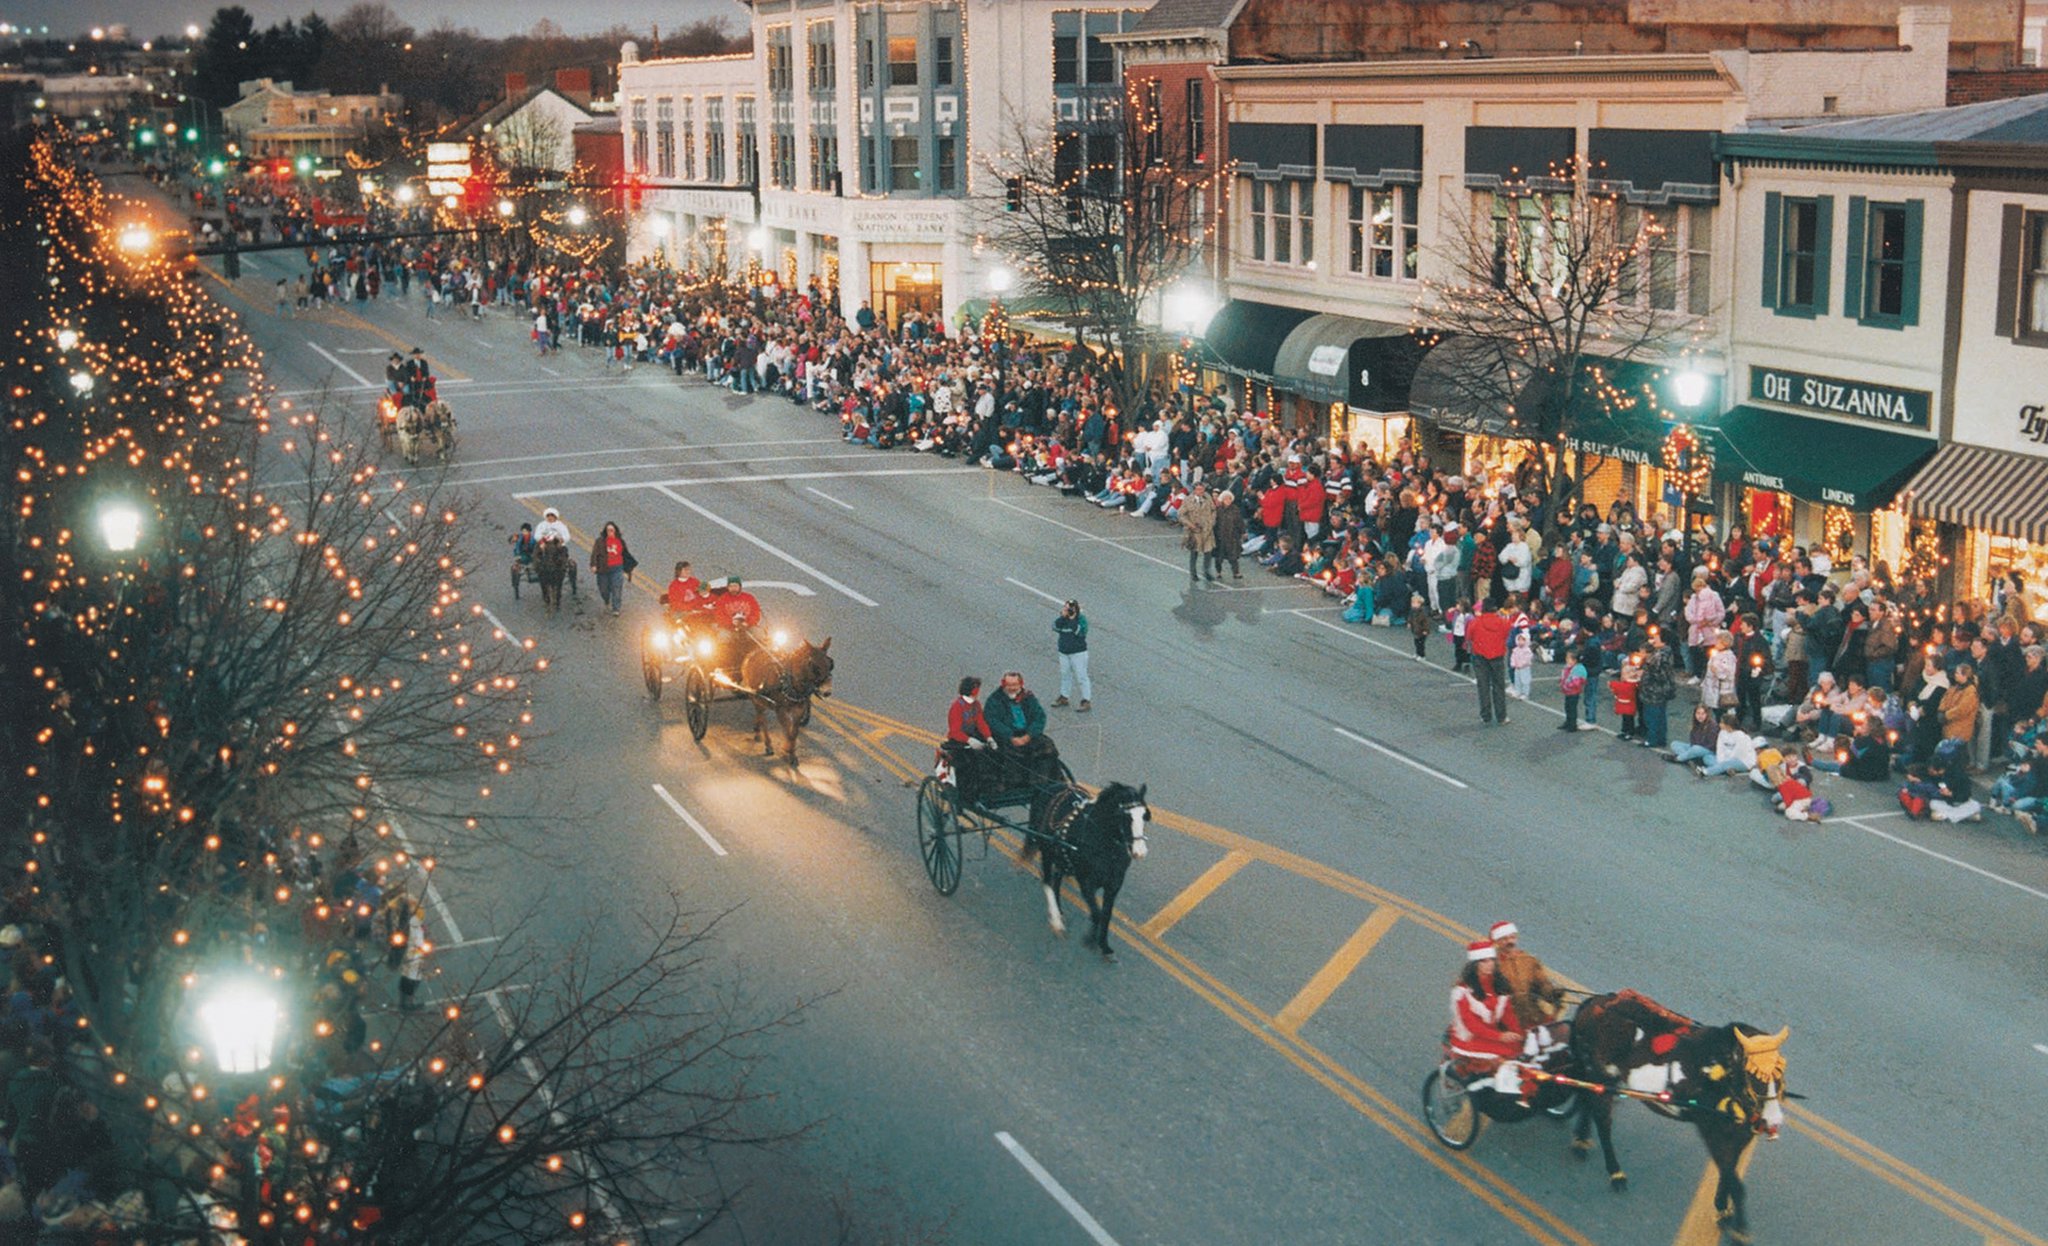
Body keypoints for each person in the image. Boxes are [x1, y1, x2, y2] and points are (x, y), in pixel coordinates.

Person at [1450, 940, 1531, 1103]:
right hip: (1470, 1039)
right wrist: (1500, 1036)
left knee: (1523, 1050)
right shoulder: (1462, 992)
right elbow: (1471, 1026)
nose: (1490, 965)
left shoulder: (1498, 986)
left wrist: (1519, 1033)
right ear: (1475, 965)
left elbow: (1508, 1014)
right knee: (1505, 1058)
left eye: (1492, 960)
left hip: (1492, 1034)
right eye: (1484, 961)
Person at [985, 670, 1057, 790]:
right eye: (1009, 685)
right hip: (1006, 736)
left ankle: (1042, 780)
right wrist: (1010, 736)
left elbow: (1039, 717)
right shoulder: (995, 700)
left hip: (1027, 734)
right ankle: (1013, 782)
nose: (1012, 688)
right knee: (1012, 752)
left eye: (1015, 685)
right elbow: (992, 720)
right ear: (1003, 684)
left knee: (1047, 746)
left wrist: (1029, 735)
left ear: (1020, 684)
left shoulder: (1028, 697)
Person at [1490, 920, 1565, 1031]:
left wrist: (1552, 993)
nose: (1510, 942)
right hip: (1505, 1017)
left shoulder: (1529, 960)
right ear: (1497, 941)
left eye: (1512, 937)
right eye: (1505, 939)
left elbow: (1542, 983)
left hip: (1532, 1013)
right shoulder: (1491, 964)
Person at [942, 675, 994, 801]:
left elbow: (981, 723)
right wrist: (969, 740)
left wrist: (989, 738)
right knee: (969, 764)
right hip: (958, 743)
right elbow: (955, 731)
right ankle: (966, 793)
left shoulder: (976, 705)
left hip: (972, 737)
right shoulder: (957, 707)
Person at [1467, 599, 1512, 726]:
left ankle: (1485, 715)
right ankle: (1501, 716)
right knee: (1499, 687)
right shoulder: (1502, 622)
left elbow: (1469, 636)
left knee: (1483, 686)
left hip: (1480, 657)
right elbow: (1506, 634)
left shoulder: (1475, 622)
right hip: (1497, 656)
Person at [588, 520, 638, 617]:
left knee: (616, 588)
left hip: (617, 568)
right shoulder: (600, 541)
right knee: (603, 589)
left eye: (612, 530)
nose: (610, 532)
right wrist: (593, 565)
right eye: (608, 530)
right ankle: (606, 600)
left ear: (615, 531)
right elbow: (595, 554)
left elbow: (625, 554)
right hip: (603, 569)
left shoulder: (620, 542)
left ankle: (616, 608)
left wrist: (628, 568)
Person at [1053, 599, 1092, 712]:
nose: (1067, 610)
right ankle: (1064, 697)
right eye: (1066, 607)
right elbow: (1055, 627)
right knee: (1065, 674)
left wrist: (1072, 619)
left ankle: (1086, 700)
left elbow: (1080, 632)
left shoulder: (1081, 620)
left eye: (1070, 608)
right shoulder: (1062, 619)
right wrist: (1063, 617)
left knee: (1081, 676)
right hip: (1064, 652)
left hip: (1078, 653)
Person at [533, 506, 578, 599]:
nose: (550, 517)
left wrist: (561, 540)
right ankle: (538, 566)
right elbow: (537, 535)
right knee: (537, 552)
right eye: (548, 516)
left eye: (552, 516)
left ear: (555, 517)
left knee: (563, 551)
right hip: (545, 544)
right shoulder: (542, 525)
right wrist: (542, 541)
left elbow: (567, 536)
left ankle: (563, 565)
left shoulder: (561, 526)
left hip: (557, 544)